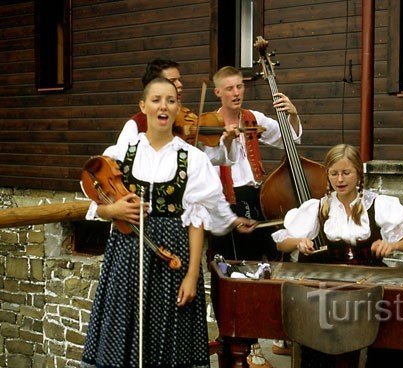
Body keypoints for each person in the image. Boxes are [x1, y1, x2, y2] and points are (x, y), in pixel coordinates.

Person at [81, 77, 255, 368]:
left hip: (173, 259)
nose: (164, 106)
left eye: (171, 101)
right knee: (124, 334)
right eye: (156, 100)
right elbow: (94, 205)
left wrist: (191, 275)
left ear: (177, 108)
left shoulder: (194, 159)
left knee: (170, 340)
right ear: (143, 106)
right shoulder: (120, 154)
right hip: (126, 257)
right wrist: (114, 212)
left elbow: (197, 220)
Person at [272, 143, 403, 368]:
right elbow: (282, 243)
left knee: (393, 329)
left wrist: (393, 245)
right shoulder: (318, 207)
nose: (340, 179)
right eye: (334, 173)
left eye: (346, 172)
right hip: (330, 286)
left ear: (358, 174)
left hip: (370, 283)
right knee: (320, 330)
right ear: (328, 175)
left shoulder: (377, 204)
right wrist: (299, 242)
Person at [207, 65, 302, 263]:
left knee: (269, 258)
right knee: (232, 263)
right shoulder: (209, 125)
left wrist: (292, 115)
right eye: (229, 88)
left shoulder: (253, 118)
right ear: (218, 92)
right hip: (227, 198)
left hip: (256, 196)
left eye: (239, 87)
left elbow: (288, 137)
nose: (236, 93)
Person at [118, 59, 240, 166]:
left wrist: (228, 140)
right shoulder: (135, 124)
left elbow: (211, 159)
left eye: (179, 79)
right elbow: (120, 162)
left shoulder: (187, 119)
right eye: (173, 80)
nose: (180, 84)